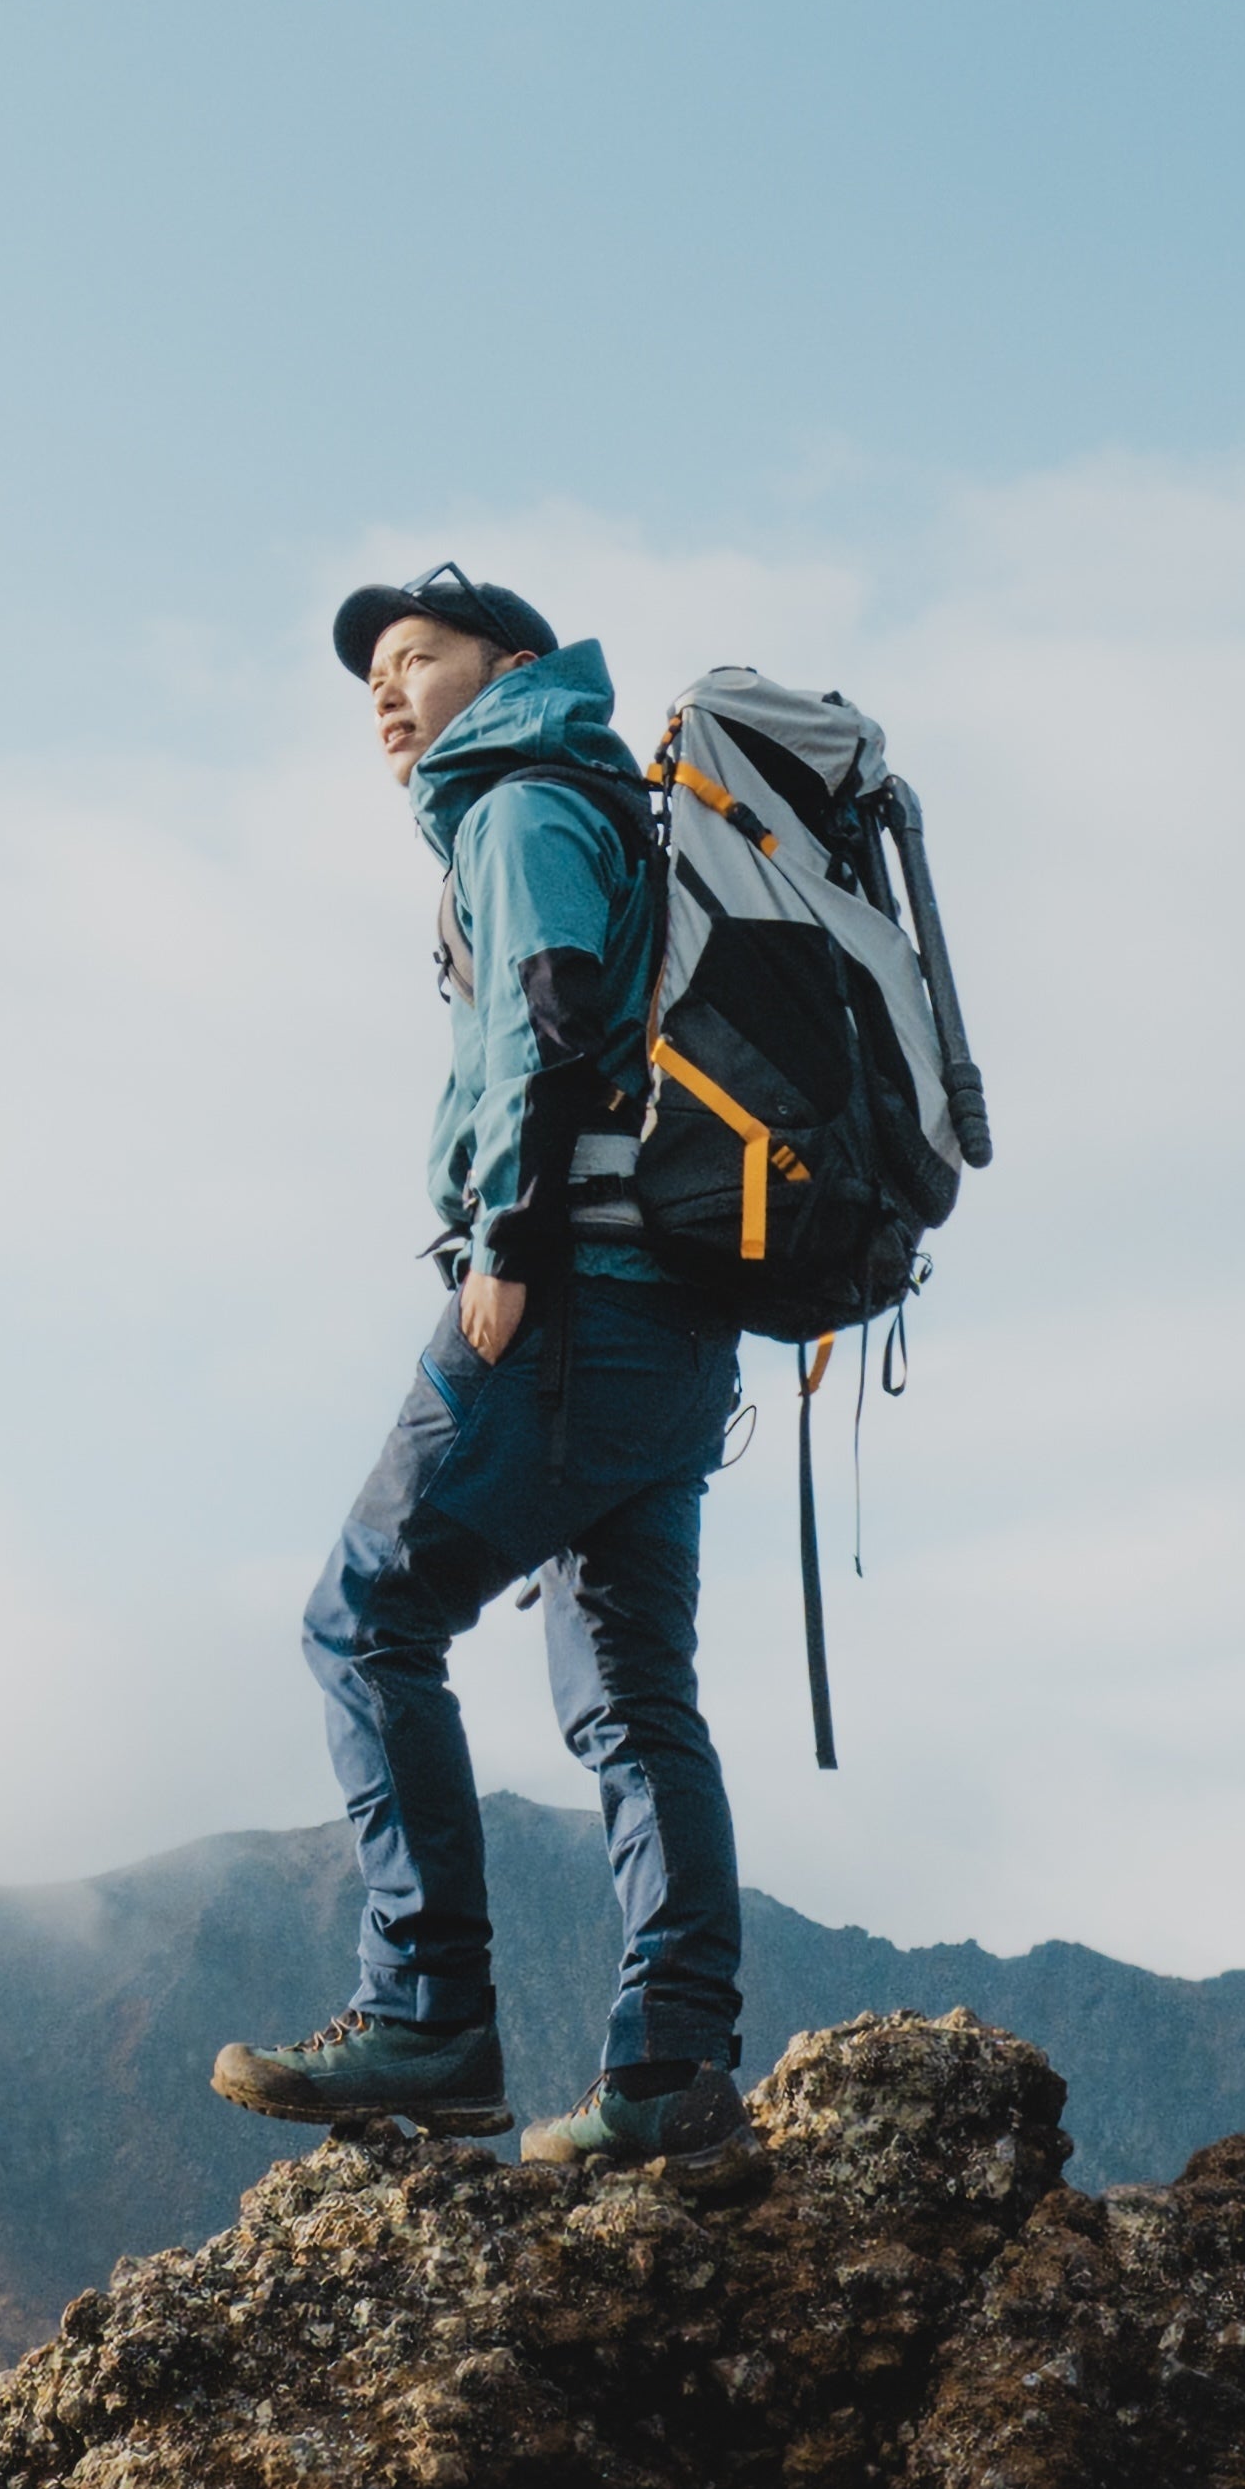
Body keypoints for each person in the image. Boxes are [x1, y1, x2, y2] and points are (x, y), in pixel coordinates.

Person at [209, 563, 763, 2193]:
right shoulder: (596, 801)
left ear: (509, 666)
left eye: (417, 655)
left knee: (363, 1617)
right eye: (373, 675)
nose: (388, 691)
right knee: (636, 1698)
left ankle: (426, 2013)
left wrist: (508, 1238)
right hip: (675, 1327)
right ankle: (670, 2069)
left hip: (566, 1289)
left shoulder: (520, 804)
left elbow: (550, 1014)